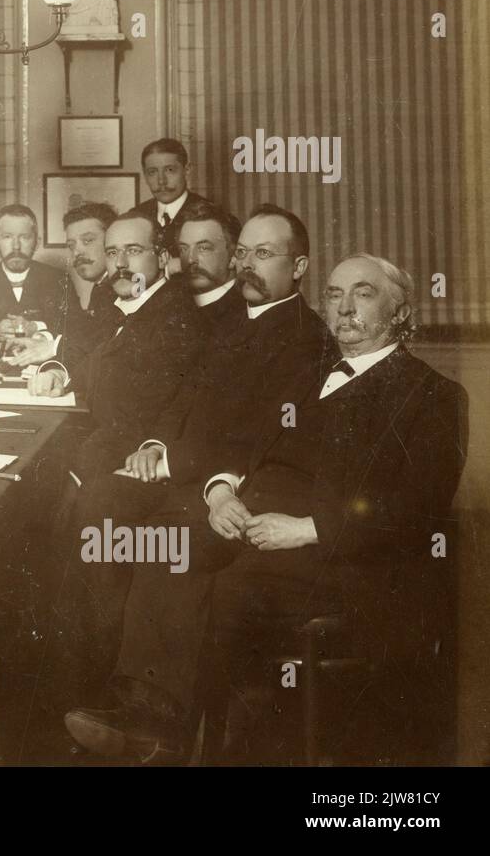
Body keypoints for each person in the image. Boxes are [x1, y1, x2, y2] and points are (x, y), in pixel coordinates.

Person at [67, 254, 467, 764]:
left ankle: (199, 746)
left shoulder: (433, 396)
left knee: (229, 588)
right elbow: (241, 447)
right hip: (252, 522)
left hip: (342, 555)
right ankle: (150, 723)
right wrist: (220, 493)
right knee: (167, 549)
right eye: (335, 294)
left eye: (362, 294)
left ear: (399, 312)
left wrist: (306, 528)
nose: (344, 307)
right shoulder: (306, 375)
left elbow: (417, 510)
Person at [55, 204, 338, 700]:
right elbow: (187, 397)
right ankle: (97, 680)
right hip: (195, 471)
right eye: (245, 253)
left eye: (265, 254)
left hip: (243, 489)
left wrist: (177, 467)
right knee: (102, 505)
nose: (248, 263)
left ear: (298, 268)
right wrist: (154, 444)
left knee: (157, 538)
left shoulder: (303, 338)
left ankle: (151, 709)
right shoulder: (235, 323)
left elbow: (258, 439)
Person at [27, 214, 204, 480]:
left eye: (133, 251)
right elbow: (86, 353)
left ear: (163, 257)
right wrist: (58, 374)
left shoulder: (178, 315)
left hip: (129, 456)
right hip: (97, 438)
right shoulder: (115, 305)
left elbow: (178, 402)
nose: (120, 263)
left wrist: (154, 445)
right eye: (112, 253)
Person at [7, 201, 121, 382]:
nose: (77, 252)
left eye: (88, 240)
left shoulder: (122, 288)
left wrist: (53, 347)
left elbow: (107, 349)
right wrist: (46, 344)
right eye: (71, 245)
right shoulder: (101, 287)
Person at [0, 204, 63, 334]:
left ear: (36, 243)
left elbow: (75, 327)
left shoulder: (59, 280)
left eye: (25, 237)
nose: (16, 246)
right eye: (7, 237)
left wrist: (36, 326)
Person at [127, 139, 213, 259]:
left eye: (170, 170)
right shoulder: (135, 216)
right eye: (152, 172)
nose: (161, 181)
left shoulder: (212, 214)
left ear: (187, 170)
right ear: (145, 175)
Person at [174, 201, 245, 328]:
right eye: (184, 249)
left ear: (234, 256)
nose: (190, 260)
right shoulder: (174, 305)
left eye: (204, 248)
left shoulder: (245, 312)